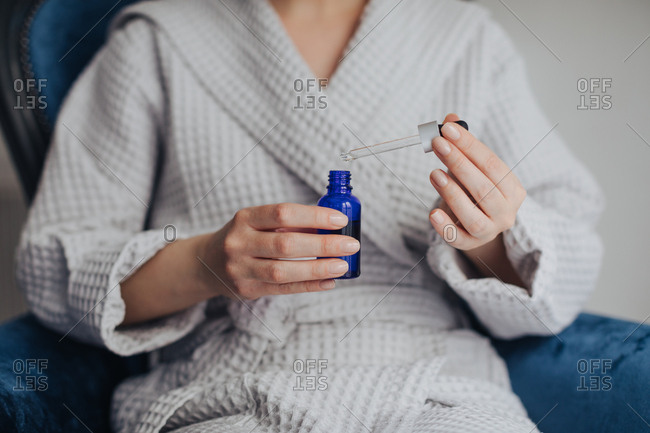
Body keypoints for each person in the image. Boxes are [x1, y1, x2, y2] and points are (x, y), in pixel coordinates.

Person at [16, 0, 604, 431]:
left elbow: (563, 261)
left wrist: (489, 238)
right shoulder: (158, 40)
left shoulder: (464, 38)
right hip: (231, 389)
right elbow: (55, 262)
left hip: (435, 384)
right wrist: (204, 264)